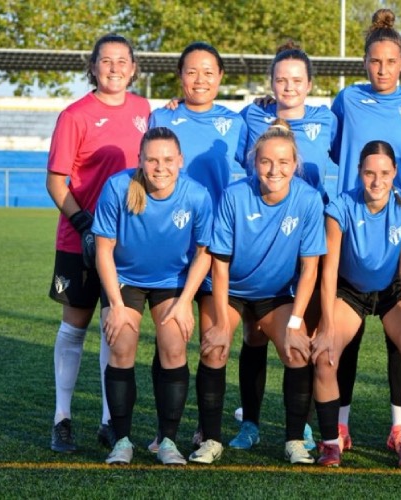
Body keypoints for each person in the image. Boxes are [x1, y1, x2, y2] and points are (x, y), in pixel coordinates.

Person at [189, 119, 326, 465]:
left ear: (295, 164)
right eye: (265, 161)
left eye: (283, 162)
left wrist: (295, 322)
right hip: (230, 289)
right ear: (254, 162)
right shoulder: (235, 195)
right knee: (214, 347)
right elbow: (219, 265)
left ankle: (295, 440)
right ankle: (211, 439)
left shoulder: (308, 200)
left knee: (297, 351)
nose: (273, 169)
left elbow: (310, 268)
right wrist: (221, 321)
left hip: (274, 294)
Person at [330, 7, 401, 452]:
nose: (383, 69)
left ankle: (398, 427)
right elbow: (325, 143)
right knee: (343, 337)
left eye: (391, 62)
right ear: (364, 62)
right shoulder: (347, 100)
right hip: (353, 228)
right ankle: (341, 424)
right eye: (375, 61)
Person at [231, 40, 337, 452]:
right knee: (254, 336)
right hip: (263, 238)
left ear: (310, 84)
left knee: (303, 333)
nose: (288, 86)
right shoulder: (252, 115)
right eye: (280, 79)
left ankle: (302, 423)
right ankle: (250, 422)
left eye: (296, 80)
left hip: (308, 238)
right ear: (271, 82)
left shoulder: (328, 119)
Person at [46, 33, 150, 453]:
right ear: (93, 67)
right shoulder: (75, 115)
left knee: (117, 328)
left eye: (122, 60)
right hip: (80, 240)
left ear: (133, 68)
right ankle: (62, 418)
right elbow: (56, 181)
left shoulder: (145, 110)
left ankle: (110, 422)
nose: (114, 67)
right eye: (105, 60)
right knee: (75, 327)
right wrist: (84, 221)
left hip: (127, 243)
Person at [92, 127, 213, 465]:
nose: (161, 167)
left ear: (180, 161)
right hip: (125, 280)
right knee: (121, 344)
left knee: (174, 347)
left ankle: (168, 442)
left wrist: (186, 301)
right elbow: (104, 249)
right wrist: (115, 304)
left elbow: (204, 253)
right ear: (140, 160)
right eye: (153, 159)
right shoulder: (118, 187)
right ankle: (122, 440)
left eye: (168, 160)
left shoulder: (197, 195)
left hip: (172, 281)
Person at [147, 41, 247, 453]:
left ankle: (207, 431)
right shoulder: (162, 117)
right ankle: (164, 428)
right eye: (191, 71)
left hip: (216, 245)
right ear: (180, 76)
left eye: (209, 72)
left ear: (221, 77)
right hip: (172, 246)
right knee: (170, 339)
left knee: (212, 340)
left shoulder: (238, 122)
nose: (200, 79)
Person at [311, 140, 401, 468]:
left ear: (395, 174)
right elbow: (330, 271)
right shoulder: (340, 207)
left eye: (384, 173)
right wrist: (327, 326)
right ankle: (332, 442)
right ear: (359, 173)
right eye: (369, 173)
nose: (377, 181)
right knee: (324, 356)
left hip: (392, 292)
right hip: (350, 292)